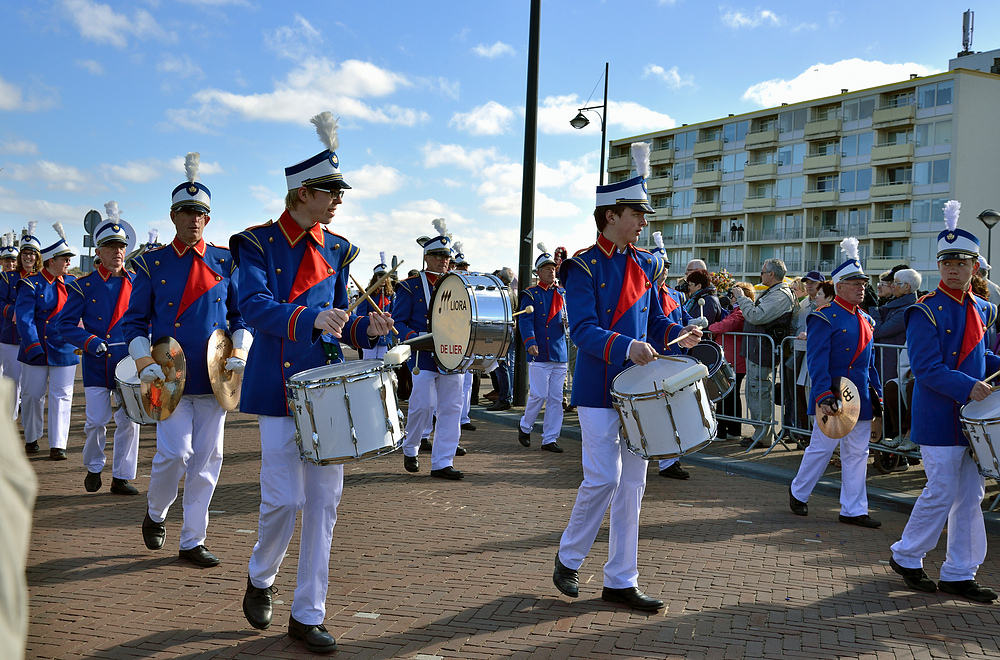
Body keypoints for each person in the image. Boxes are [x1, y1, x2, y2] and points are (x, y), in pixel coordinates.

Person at [232, 112, 393, 653]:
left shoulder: (339, 247)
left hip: (326, 388)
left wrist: (367, 329)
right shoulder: (254, 243)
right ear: (303, 193)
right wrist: (307, 317)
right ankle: (260, 575)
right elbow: (254, 306)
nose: (338, 200)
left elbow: (340, 317)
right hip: (279, 388)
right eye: (330, 192)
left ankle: (308, 612)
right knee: (283, 501)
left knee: (325, 502)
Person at [553, 142, 701, 611]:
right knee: (604, 479)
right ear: (611, 214)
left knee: (633, 484)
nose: (643, 221)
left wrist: (683, 333)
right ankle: (569, 556)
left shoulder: (642, 263)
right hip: (599, 390)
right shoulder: (582, 267)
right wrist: (626, 346)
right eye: (637, 212)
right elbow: (582, 330)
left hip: (640, 392)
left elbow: (656, 323)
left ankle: (621, 578)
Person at [124, 152, 250, 569]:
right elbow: (134, 322)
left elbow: (240, 315)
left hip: (215, 381)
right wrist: (143, 362)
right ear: (173, 215)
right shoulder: (150, 262)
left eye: (200, 213)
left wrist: (240, 350)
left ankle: (193, 539)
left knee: (207, 463)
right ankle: (156, 512)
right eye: (186, 212)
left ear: (208, 220)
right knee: (174, 456)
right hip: (168, 375)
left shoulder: (224, 261)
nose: (193, 219)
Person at [889, 200, 1000, 603]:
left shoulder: (983, 308)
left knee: (970, 496)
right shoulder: (925, 311)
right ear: (940, 266)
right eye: (946, 263)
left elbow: (980, 358)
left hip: (973, 419)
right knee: (941, 490)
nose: (953, 269)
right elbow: (927, 368)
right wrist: (969, 386)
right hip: (939, 416)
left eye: (961, 263)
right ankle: (906, 555)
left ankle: (959, 572)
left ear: (974, 267)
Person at [788, 237, 882, 528]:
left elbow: (869, 362)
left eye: (863, 283)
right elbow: (817, 361)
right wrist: (822, 395)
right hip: (833, 395)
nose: (861, 287)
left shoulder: (866, 318)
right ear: (839, 287)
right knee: (822, 448)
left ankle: (853, 509)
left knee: (857, 453)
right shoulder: (824, 318)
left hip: (860, 397)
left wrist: (875, 394)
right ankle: (798, 491)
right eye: (855, 283)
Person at [56, 204, 140, 495]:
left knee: (130, 421)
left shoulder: (137, 283)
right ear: (99, 252)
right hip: (96, 362)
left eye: (121, 247)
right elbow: (64, 325)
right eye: (110, 247)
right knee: (95, 422)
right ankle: (94, 466)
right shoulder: (84, 286)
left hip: (128, 363)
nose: (117, 252)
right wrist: (89, 342)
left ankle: (122, 476)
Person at [394, 218, 467, 480]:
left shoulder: (458, 285)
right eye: (437, 255)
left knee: (451, 409)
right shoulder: (410, 286)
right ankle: (411, 447)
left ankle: (442, 462)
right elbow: (398, 322)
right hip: (422, 356)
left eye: (446, 256)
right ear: (426, 257)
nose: (443, 260)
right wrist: (413, 337)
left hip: (452, 356)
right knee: (422, 407)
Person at [15, 223, 80, 459]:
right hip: (37, 348)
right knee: (32, 394)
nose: (68, 263)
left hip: (64, 348)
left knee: (62, 396)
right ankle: (32, 437)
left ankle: (58, 444)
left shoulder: (72, 283)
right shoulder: (31, 284)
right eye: (65, 259)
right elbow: (24, 318)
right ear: (51, 260)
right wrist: (33, 345)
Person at [733, 258, 796, 447]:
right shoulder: (774, 293)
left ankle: (764, 436)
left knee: (759, 392)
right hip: (757, 350)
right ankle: (760, 433)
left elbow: (756, 315)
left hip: (763, 351)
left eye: (762, 272)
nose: (760, 275)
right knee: (755, 392)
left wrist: (741, 298)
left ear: (771, 274)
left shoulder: (781, 295)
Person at [516, 243, 568, 453]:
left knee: (556, 399)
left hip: (559, 351)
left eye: (552, 268)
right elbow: (525, 321)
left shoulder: (563, 293)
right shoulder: (531, 293)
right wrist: (530, 342)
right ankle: (525, 426)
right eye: (547, 268)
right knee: (538, 395)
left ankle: (550, 438)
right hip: (539, 350)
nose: (551, 271)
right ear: (538, 272)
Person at [650, 233, 693, 477]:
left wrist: (694, 325)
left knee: (673, 409)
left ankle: (669, 461)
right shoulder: (646, 294)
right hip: (653, 359)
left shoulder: (677, 296)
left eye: (667, 267)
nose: (664, 271)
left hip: (674, 358)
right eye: (660, 266)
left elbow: (683, 321)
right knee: (656, 411)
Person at [874, 268, 921, 446]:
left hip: (897, 362)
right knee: (891, 393)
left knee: (902, 396)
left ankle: (909, 438)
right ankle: (900, 435)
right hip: (889, 361)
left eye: (896, 283)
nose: (892, 286)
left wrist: (873, 308)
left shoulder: (906, 309)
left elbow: (878, 330)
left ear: (907, 287)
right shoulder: (894, 304)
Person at [0, 226, 40, 423]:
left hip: (37, 338)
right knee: (12, 381)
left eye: (32, 254)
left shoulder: (41, 279)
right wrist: (14, 312)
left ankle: (29, 424)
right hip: (12, 337)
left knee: (32, 385)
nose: (28, 257)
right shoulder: (8, 278)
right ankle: (9, 421)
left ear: (37, 256)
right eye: (25, 253)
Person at [708, 282, 754, 442]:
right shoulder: (737, 311)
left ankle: (725, 431)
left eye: (733, 296)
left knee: (727, 396)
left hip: (734, 361)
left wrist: (709, 327)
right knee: (730, 396)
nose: (731, 298)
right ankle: (732, 430)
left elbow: (726, 325)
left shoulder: (740, 312)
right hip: (732, 360)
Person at [451, 242, 478, 430]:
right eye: (460, 267)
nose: (464, 269)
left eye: (466, 266)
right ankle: (443, 415)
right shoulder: (449, 284)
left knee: (467, 381)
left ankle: (463, 417)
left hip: (468, 338)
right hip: (452, 338)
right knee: (450, 382)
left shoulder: (472, 286)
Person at [355, 253, 393, 361]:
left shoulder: (391, 295)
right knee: (368, 365)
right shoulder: (366, 294)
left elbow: (395, 313)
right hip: (370, 335)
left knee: (384, 366)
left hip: (386, 337)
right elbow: (360, 315)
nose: (384, 279)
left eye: (386, 277)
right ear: (375, 277)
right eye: (381, 276)